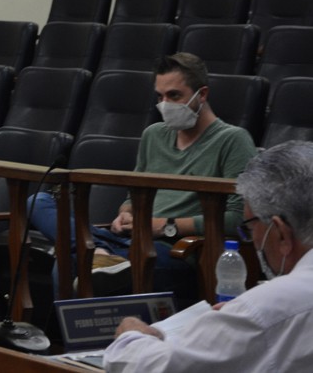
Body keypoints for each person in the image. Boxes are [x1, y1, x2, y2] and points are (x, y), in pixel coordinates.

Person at [28, 53, 257, 301]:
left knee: (72, 261)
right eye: (160, 96)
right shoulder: (153, 135)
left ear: (202, 94)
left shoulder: (233, 140)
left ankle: (100, 257)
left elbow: (237, 219)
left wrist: (166, 226)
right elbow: (133, 196)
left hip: (174, 250)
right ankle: (101, 254)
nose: (165, 104)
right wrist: (126, 213)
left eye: (174, 96)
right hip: (128, 240)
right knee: (38, 201)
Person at [103, 141, 313, 371]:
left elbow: (156, 367)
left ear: (281, 233)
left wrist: (131, 335)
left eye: (250, 227)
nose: (252, 239)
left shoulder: (264, 310)